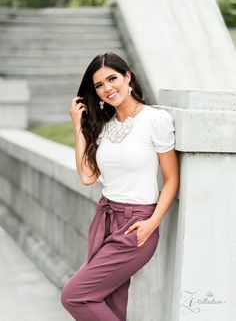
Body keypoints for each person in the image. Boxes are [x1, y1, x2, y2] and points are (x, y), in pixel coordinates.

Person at [61, 52, 179, 321]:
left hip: (136, 224)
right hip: (104, 220)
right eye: (99, 85)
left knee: (75, 295)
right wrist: (78, 127)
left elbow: (172, 179)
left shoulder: (154, 120)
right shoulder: (104, 127)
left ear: (128, 76)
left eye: (112, 78)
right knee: (111, 307)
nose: (107, 89)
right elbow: (87, 176)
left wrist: (152, 223)